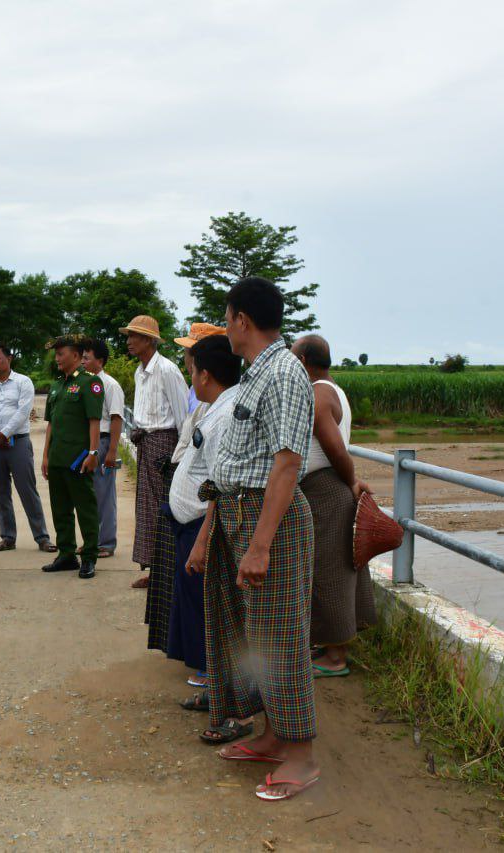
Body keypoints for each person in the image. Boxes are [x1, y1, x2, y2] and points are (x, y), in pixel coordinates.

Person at [184, 277, 319, 801]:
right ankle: (273, 735)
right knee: (253, 635)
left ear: (242, 320)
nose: (226, 327)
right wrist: (211, 535)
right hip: (241, 514)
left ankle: (302, 756)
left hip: (270, 522)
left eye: (226, 317)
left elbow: (287, 464)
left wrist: (261, 545)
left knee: (281, 637)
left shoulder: (283, 373)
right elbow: (239, 464)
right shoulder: (258, 374)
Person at [165, 335, 248, 742]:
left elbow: (219, 485)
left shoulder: (227, 413)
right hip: (192, 525)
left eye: (193, 369)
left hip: (204, 528)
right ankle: (218, 693)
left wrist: (201, 541)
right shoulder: (216, 408)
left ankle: (235, 707)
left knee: (220, 617)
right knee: (205, 615)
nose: (190, 377)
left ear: (206, 375)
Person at [292, 334, 376, 677]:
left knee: (329, 574)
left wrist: (351, 480)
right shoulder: (334, 390)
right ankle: (328, 645)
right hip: (328, 488)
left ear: (304, 361)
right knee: (329, 569)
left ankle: (335, 657)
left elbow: (335, 449)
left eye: (294, 357)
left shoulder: (318, 393)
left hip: (326, 489)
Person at [121, 314, 188, 589]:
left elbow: (183, 417)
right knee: (148, 509)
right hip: (146, 443)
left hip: (165, 445)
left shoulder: (167, 370)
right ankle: (155, 569)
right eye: (129, 336)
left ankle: (170, 571)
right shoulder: (140, 372)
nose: (129, 341)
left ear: (149, 340)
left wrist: (180, 458)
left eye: (134, 336)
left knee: (165, 507)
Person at [0, 343, 55, 553]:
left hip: (18, 443)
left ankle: (42, 537)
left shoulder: (23, 382)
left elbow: (23, 411)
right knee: (0, 493)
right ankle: (8, 537)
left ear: (9, 358)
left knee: (27, 490)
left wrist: (4, 433)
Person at [40, 335, 103, 579]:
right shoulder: (57, 385)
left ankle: (89, 557)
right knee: (60, 510)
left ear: (75, 355)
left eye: (61, 354)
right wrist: (45, 456)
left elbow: (94, 421)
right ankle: (66, 554)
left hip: (78, 459)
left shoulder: (90, 382)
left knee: (86, 510)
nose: (57, 358)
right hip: (57, 459)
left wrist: (93, 453)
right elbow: (50, 424)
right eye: (56, 354)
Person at [80, 339, 123, 559]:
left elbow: (116, 418)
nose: (83, 362)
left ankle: (106, 543)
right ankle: (91, 541)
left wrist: (112, 451)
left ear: (100, 360)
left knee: (104, 495)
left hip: (104, 442)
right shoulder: (83, 383)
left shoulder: (110, 385)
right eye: (82, 357)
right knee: (87, 496)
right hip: (86, 443)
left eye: (86, 358)